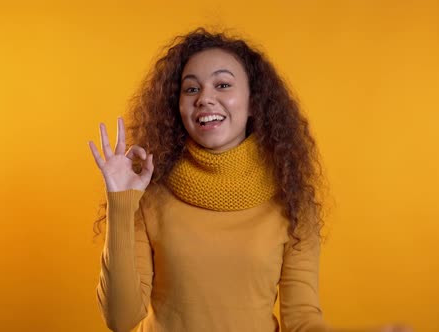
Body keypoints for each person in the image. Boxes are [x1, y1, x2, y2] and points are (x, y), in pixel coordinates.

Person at [89, 28, 411, 332]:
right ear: (179, 106)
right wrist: (121, 202)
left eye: (223, 85)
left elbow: (301, 321)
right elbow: (121, 318)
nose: (205, 98)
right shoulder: (148, 193)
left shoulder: (291, 199)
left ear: (254, 102)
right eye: (191, 88)